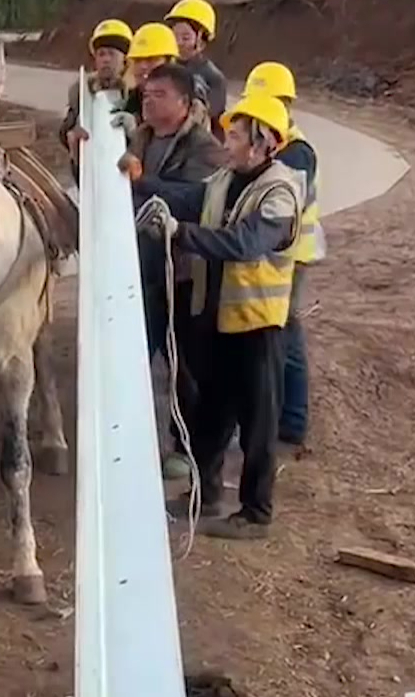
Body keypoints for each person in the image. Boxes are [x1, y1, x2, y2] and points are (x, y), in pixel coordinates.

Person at [127, 92, 303, 539]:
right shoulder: (229, 177)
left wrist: (178, 233)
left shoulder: (279, 193)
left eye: (238, 135)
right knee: (212, 413)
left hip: (258, 324)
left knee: (257, 421)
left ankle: (256, 513)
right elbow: (193, 197)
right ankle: (204, 493)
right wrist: (141, 182)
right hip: (221, 320)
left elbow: (243, 244)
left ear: (263, 142)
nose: (227, 142)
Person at [119, 62, 221, 480]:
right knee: (137, 356)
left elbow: (197, 200)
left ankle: (187, 449)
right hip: (144, 269)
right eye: (146, 93)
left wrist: (144, 183)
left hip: (183, 273)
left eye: (159, 94)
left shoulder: (204, 147)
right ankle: (131, 441)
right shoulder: (140, 139)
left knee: (185, 366)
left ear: (184, 103)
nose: (148, 99)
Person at [244, 61, 324, 446]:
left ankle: (291, 420)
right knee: (283, 333)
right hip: (283, 254)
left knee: (284, 335)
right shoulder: (285, 146)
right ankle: (288, 418)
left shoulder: (296, 154)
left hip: (290, 256)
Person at [59, 18, 131, 177]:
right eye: (101, 54)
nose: (105, 59)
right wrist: (72, 134)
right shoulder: (82, 91)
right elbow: (65, 130)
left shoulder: (136, 92)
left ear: (125, 59)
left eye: (111, 54)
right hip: (92, 173)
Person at [165, 0, 227, 128]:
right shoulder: (164, 70)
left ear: (202, 39)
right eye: (174, 36)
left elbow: (212, 113)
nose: (178, 42)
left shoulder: (213, 78)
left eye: (185, 37)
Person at [114, 21, 180, 134]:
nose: (143, 66)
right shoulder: (131, 101)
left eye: (151, 60)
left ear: (169, 62)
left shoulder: (186, 106)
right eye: (138, 61)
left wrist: (136, 133)